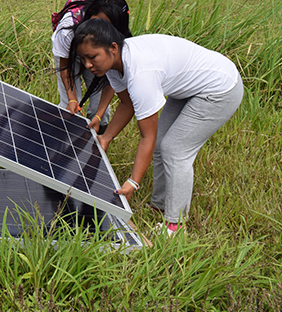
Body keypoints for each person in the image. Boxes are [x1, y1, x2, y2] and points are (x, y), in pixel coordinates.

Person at [69, 18, 243, 235]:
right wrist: (106, 137)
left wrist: (133, 181)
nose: (87, 65)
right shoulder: (114, 64)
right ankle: (159, 206)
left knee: (175, 150)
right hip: (189, 88)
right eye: (83, 59)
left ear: (112, 48)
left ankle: (176, 225)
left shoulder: (141, 73)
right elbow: (127, 104)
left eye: (92, 57)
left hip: (220, 89)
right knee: (162, 144)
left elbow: (146, 137)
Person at [52, 0, 132, 132]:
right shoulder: (67, 31)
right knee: (69, 108)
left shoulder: (118, 43)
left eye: (106, 28)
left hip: (102, 54)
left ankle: (94, 148)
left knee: (101, 113)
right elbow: (65, 66)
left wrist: (99, 116)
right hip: (71, 54)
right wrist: (72, 100)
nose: (98, 31)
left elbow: (110, 81)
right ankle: (64, 145)